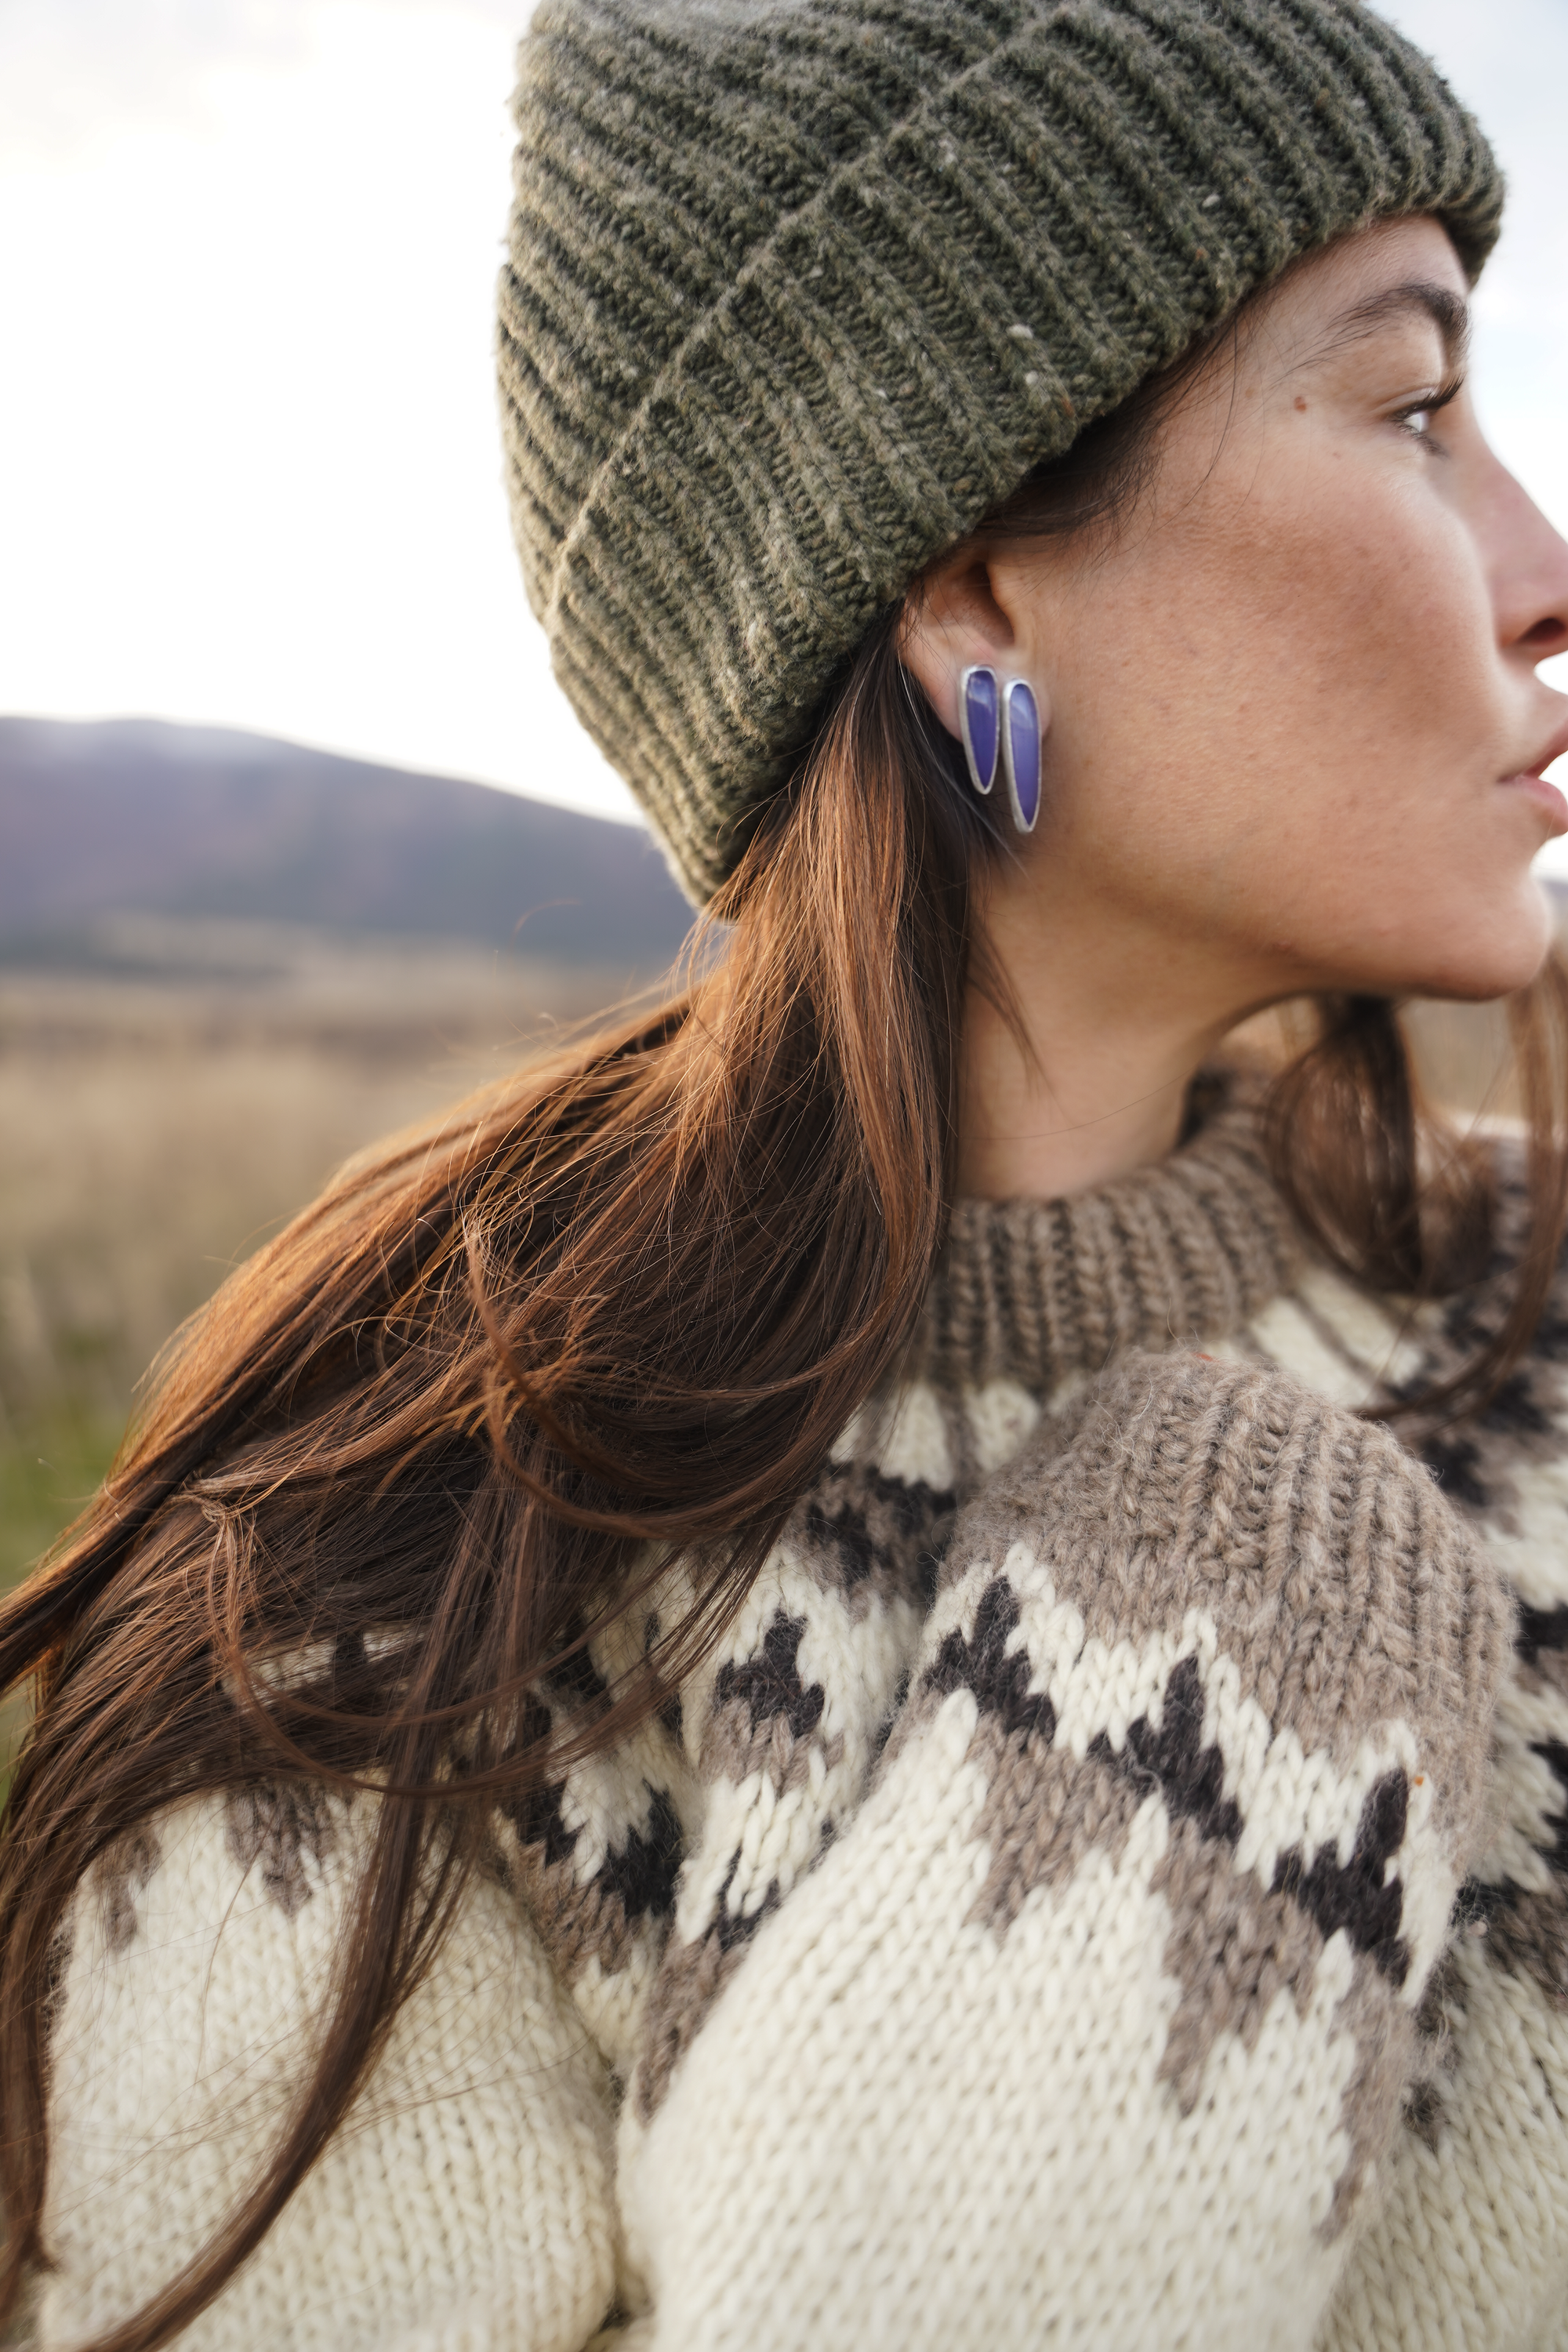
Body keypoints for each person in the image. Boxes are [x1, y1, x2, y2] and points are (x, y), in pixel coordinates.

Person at [3, 0, 1567, 2345]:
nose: (1538, 565)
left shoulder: (1540, 1293)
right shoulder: (361, 1654)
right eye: (1414, 407)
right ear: (963, 591)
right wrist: (1227, 1645)